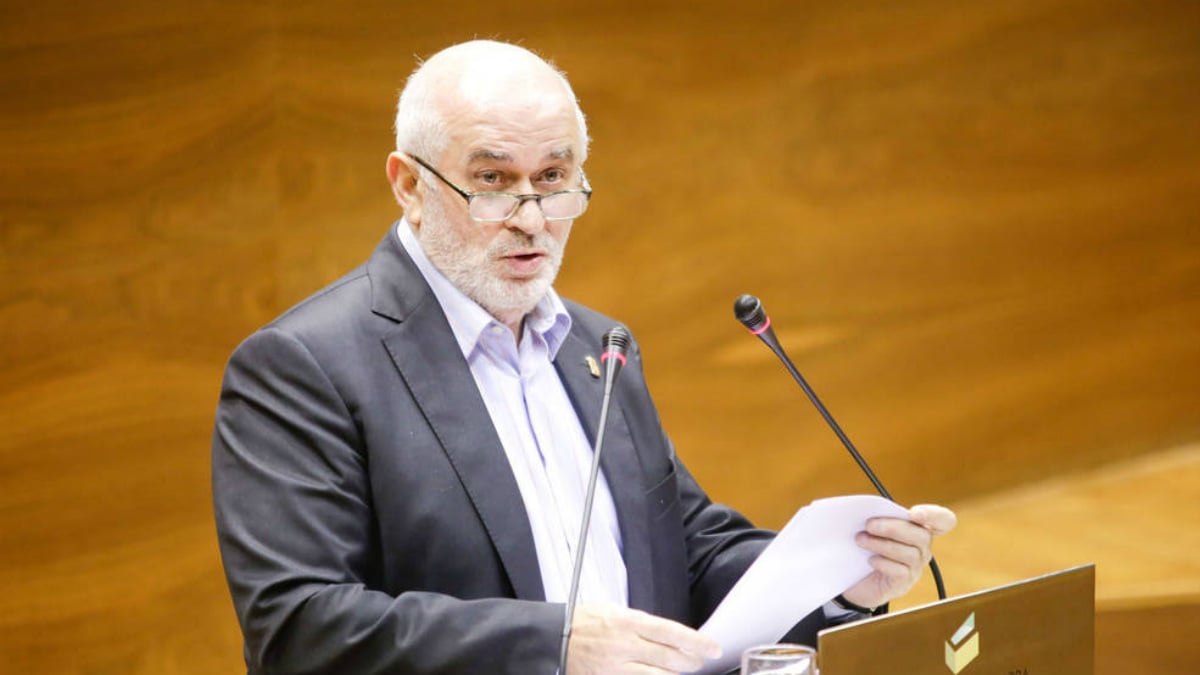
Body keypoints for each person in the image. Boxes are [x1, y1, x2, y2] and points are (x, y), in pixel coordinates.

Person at [211, 40, 956, 675]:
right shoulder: (303, 366)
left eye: (554, 179)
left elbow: (687, 556)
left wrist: (839, 580)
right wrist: (555, 644)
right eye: (494, 181)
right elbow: (298, 626)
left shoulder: (597, 347)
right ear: (408, 184)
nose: (532, 220)